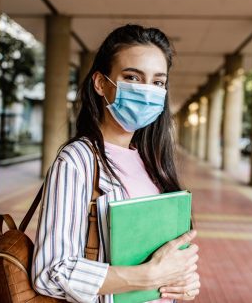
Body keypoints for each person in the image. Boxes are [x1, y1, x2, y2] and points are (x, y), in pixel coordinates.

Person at [31, 24, 200, 303]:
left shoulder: (152, 162)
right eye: (133, 77)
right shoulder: (77, 161)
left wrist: (183, 280)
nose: (147, 91)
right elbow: (50, 272)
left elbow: (161, 256)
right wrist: (148, 276)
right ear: (100, 83)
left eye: (158, 82)